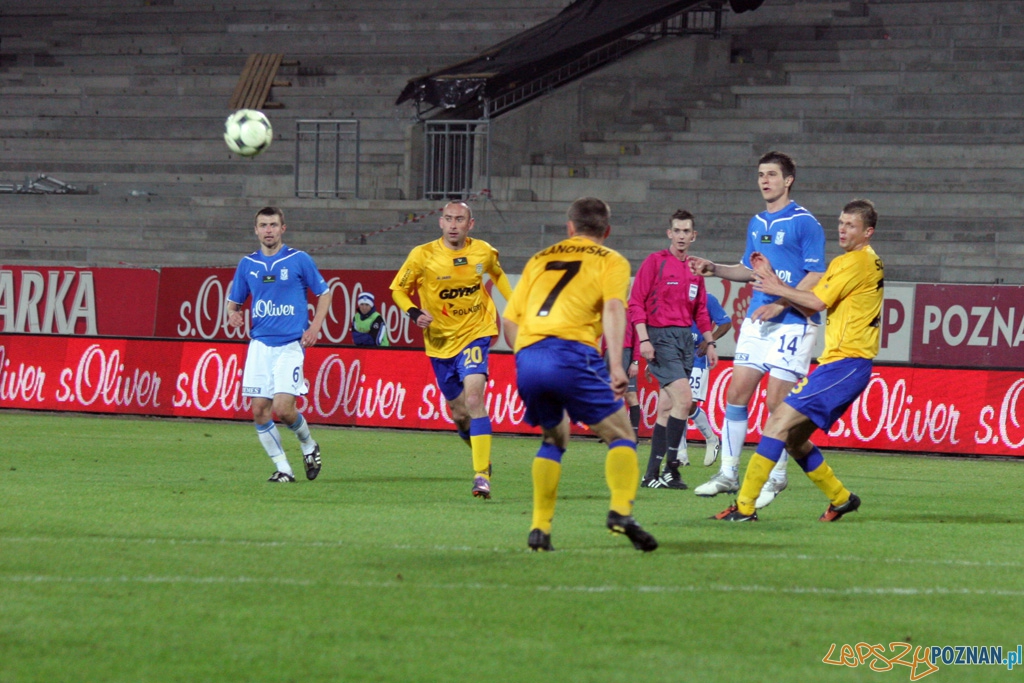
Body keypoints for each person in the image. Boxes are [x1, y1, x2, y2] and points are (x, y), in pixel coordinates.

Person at [503, 197, 657, 552]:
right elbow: (615, 308)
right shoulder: (612, 261)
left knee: (553, 439)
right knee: (621, 434)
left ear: (569, 227)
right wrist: (617, 366)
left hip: (528, 356)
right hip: (572, 352)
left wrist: (526, 357)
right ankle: (620, 512)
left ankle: (539, 529)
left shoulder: (539, 259)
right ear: (607, 230)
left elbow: (509, 321)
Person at [715, 198, 883, 521]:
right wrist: (778, 292)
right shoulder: (856, 262)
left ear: (868, 232)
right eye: (841, 222)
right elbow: (809, 304)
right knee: (793, 439)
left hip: (846, 364)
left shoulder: (854, 263)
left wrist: (776, 284)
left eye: (851, 225)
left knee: (776, 422)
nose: (842, 229)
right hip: (841, 365)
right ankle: (841, 497)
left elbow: (816, 302)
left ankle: (745, 506)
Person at [690, 151, 826, 508]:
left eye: (771, 175)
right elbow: (748, 269)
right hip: (758, 318)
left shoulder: (804, 223)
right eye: (761, 175)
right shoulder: (756, 222)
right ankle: (728, 473)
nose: (764, 181)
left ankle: (776, 477)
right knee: (736, 394)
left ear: (788, 180)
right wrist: (715, 268)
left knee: (775, 402)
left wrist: (780, 302)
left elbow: (815, 277)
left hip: (794, 321)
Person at [390, 201, 513, 499]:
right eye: (448, 219)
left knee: (474, 398)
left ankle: (481, 475)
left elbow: (497, 274)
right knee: (459, 414)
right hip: (440, 343)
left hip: (476, 334)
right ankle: (481, 455)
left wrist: (516, 303)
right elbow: (398, 290)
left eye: (460, 219)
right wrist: (413, 313)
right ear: (440, 223)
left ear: (470, 224)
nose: (454, 224)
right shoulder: (423, 256)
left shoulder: (483, 251)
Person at [226, 206, 332, 483]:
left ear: (283, 229)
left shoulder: (299, 259)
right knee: (259, 410)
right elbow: (233, 300)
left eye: (273, 225)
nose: (268, 230)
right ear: (256, 230)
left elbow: (324, 293)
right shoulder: (248, 264)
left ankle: (308, 444)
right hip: (260, 346)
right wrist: (233, 313)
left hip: (289, 345)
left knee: (284, 409)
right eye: (263, 225)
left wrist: (315, 326)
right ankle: (284, 468)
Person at [629, 209, 718, 490]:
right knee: (684, 398)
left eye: (686, 231)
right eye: (676, 231)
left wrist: (710, 341)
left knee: (667, 407)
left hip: (685, 341)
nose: (681, 236)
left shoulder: (695, 269)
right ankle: (671, 468)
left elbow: (702, 311)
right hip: (660, 337)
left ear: (694, 236)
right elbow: (636, 302)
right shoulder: (655, 262)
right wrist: (643, 339)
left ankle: (651, 475)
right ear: (670, 233)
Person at [679, 292, 733, 467]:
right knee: (677, 404)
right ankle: (680, 455)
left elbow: (726, 323)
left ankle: (711, 438)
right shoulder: (673, 295)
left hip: (697, 357)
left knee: (688, 405)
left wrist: (710, 341)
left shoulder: (708, 299)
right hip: (676, 356)